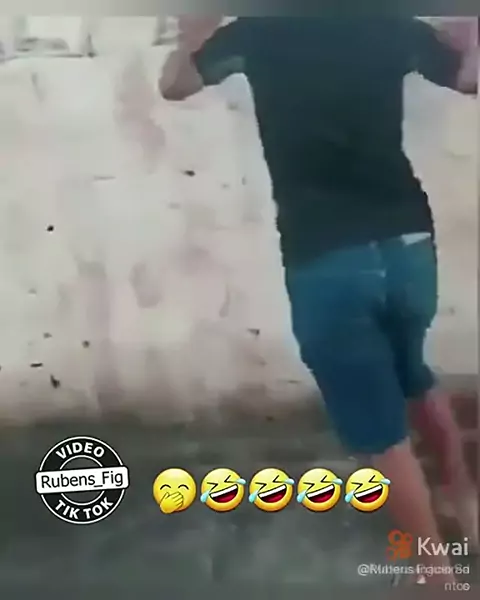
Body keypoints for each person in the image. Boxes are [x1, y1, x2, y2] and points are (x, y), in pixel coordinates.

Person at [159, 17, 478, 584]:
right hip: (408, 242)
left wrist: (191, 37)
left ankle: (437, 580)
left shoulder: (257, 31)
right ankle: (465, 506)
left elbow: (174, 86)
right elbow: (468, 81)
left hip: (327, 256)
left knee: (378, 429)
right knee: (412, 373)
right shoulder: (390, 23)